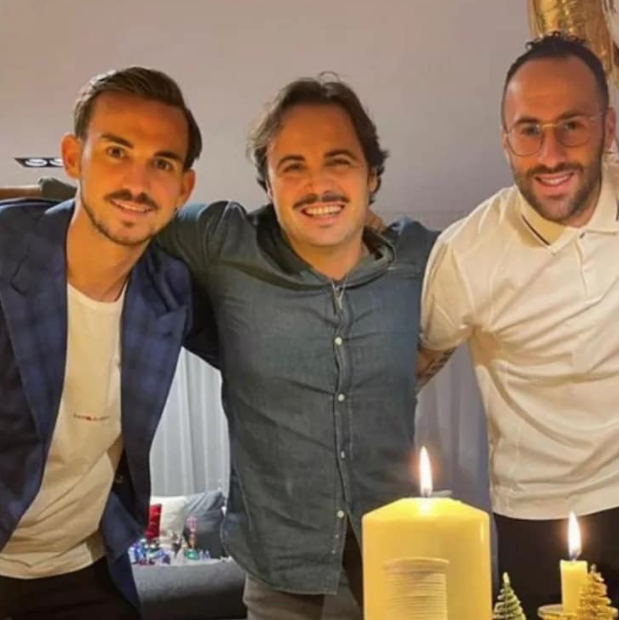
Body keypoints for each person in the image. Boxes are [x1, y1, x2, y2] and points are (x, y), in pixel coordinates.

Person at [420, 33, 619, 620]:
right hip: (534, 514)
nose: (550, 154)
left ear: (608, 128)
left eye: (572, 126)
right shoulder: (464, 253)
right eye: (529, 130)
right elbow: (415, 363)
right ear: (506, 140)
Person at [154, 76, 437, 619]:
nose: (317, 184)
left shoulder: (417, 259)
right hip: (278, 578)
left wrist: (421, 363)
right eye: (292, 167)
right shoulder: (222, 242)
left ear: (372, 175)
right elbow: (116, 214)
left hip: (399, 565)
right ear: (268, 184)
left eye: (338, 161)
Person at [0, 67, 210, 619]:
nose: (137, 184)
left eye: (161, 163)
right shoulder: (7, 255)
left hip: (84, 569)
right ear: (74, 158)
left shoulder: (172, 291)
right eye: (117, 152)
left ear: (183, 188)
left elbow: (264, 346)